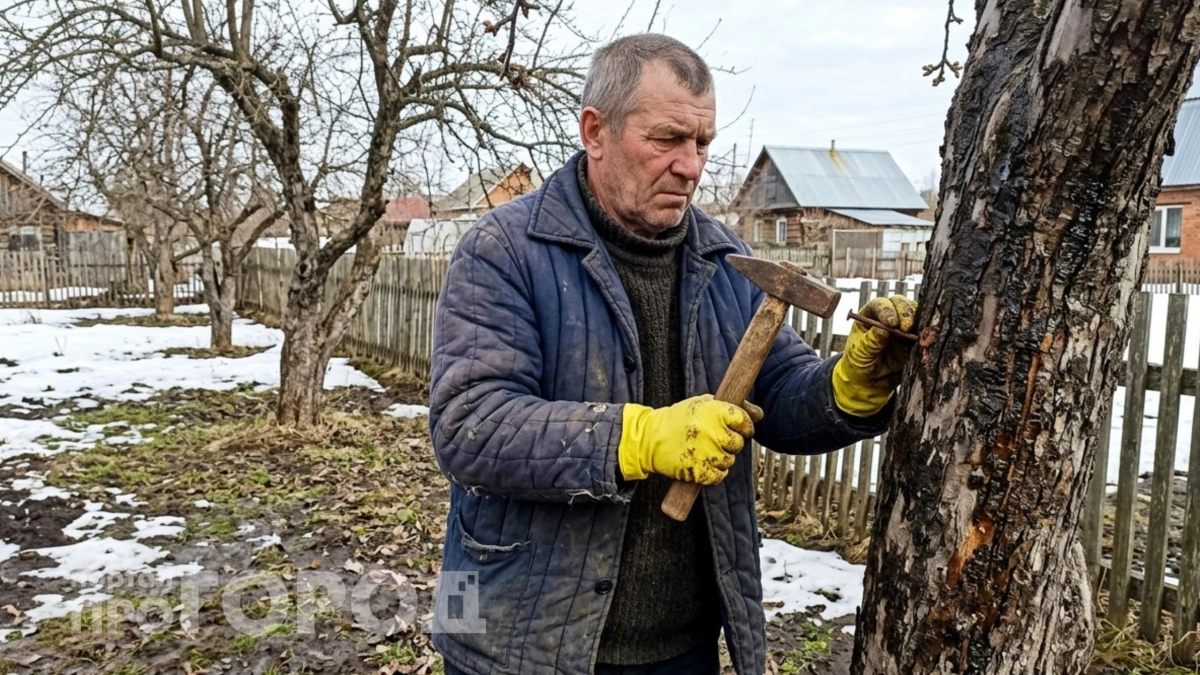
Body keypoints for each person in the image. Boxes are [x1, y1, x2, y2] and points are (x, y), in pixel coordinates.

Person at [428, 33, 916, 675]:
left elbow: (784, 392)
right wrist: (637, 438)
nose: (690, 166)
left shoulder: (723, 257)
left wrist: (849, 390)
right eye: (666, 140)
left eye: (702, 143)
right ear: (595, 131)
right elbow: (471, 425)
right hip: (522, 642)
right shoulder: (505, 249)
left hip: (681, 646)